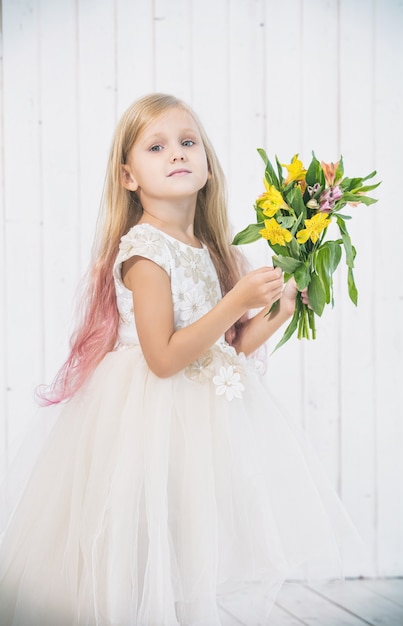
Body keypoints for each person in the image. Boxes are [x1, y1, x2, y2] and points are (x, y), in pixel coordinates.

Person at [0, 93, 362, 626]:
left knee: (187, 539)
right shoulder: (146, 252)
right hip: (144, 416)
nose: (177, 153)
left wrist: (283, 307)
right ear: (128, 176)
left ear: (208, 165)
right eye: (157, 146)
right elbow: (164, 358)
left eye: (188, 142)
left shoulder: (210, 247)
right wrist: (237, 300)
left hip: (198, 413)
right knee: (139, 539)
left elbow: (227, 346)